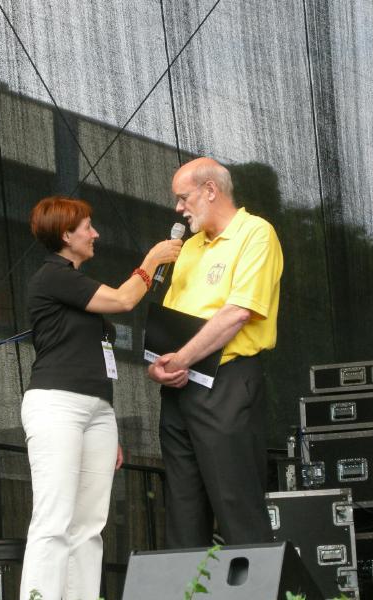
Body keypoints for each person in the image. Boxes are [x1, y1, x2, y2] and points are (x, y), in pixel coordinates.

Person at [19, 195, 182, 600]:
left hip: (97, 410)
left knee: (90, 526)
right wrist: (152, 260)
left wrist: (105, 426)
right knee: (54, 520)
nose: (95, 234)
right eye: (87, 227)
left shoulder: (76, 286)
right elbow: (124, 299)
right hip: (56, 404)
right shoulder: (53, 275)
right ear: (65, 235)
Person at [147, 157, 284, 548]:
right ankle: (190, 582)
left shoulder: (255, 233)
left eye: (183, 197)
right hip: (179, 387)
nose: (178, 208)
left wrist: (181, 358)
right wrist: (157, 365)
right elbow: (171, 319)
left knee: (235, 504)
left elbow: (238, 312)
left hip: (226, 381)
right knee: (183, 508)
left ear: (210, 190)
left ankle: (254, 581)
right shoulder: (188, 248)